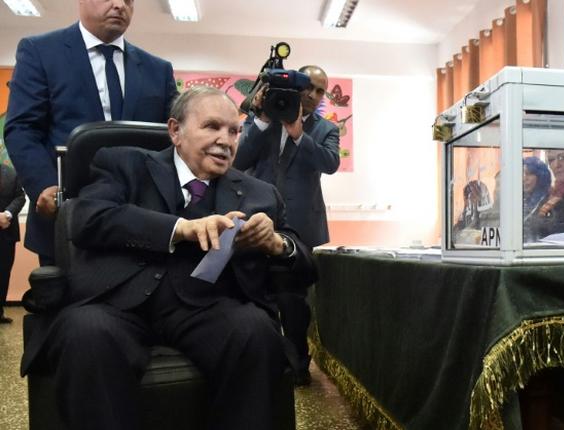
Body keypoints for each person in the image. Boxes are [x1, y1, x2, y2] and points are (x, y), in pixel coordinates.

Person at [20, 87, 316, 429]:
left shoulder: (259, 193)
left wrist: (277, 243)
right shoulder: (123, 163)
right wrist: (180, 228)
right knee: (86, 333)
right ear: (175, 130)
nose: (226, 140)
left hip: (208, 306)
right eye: (212, 127)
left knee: (256, 332)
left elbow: (306, 268)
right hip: (115, 302)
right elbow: (88, 219)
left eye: (234, 131)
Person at [3, 0, 178, 265]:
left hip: (141, 220)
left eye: (129, 0)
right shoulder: (40, 52)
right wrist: (44, 185)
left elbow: (176, 136)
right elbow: (21, 128)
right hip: (65, 216)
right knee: (64, 304)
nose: (119, 5)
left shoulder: (158, 69)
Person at [234, 64, 339, 385]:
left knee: (294, 301)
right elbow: (238, 162)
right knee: (253, 290)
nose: (313, 95)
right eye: (309, 86)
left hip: (301, 226)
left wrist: (298, 134)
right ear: (297, 85)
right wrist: (264, 121)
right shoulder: (262, 116)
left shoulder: (324, 129)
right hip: (257, 219)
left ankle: (297, 367)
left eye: (321, 91)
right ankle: (260, 361)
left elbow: (330, 164)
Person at [0, 163, 25, 324]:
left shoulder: (11, 173)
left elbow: (20, 197)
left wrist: (7, 214)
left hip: (6, 233)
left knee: (3, 273)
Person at [521, 156, 551, 244]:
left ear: (540, 176)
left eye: (529, 174)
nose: (524, 179)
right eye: (522, 174)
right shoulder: (520, 200)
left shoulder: (549, 202)